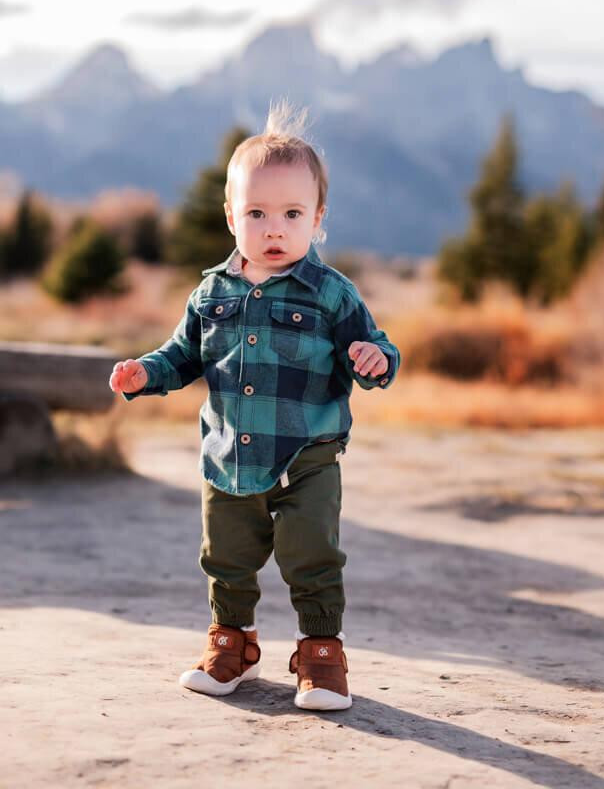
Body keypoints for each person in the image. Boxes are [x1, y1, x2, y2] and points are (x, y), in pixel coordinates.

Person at [109, 103, 400, 711]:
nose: (275, 228)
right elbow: (183, 355)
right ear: (230, 215)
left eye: (292, 214)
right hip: (228, 454)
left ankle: (321, 656)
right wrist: (145, 373)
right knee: (226, 556)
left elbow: (374, 348)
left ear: (317, 218)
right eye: (257, 213)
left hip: (308, 457)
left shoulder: (330, 293)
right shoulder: (211, 292)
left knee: (312, 555)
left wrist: (375, 359)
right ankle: (231, 643)